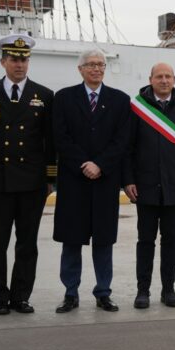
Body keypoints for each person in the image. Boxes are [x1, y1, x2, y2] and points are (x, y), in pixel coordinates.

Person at [0, 34, 55, 316]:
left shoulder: (44, 96)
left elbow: (50, 141)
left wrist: (49, 179)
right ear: (3, 61)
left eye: (23, 59)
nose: (19, 64)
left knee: (27, 243)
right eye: (13, 59)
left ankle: (21, 296)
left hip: (31, 183)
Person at [52, 50, 132, 313]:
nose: (96, 69)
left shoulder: (120, 101)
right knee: (72, 240)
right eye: (90, 65)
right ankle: (70, 293)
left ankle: (103, 292)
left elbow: (122, 140)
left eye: (100, 65)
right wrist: (83, 163)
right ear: (80, 69)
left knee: (103, 240)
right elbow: (60, 137)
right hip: (74, 181)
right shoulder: (64, 98)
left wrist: (101, 164)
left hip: (104, 181)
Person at [124, 63, 175, 309]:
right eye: (159, 76)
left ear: (174, 79)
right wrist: (127, 180)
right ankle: (143, 291)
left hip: (174, 187)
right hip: (145, 187)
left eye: (168, 76)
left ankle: (168, 290)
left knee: (171, 240)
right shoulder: (136, 108)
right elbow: (127, 149)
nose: (164, 80)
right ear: (150, 79)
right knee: (145, 241)